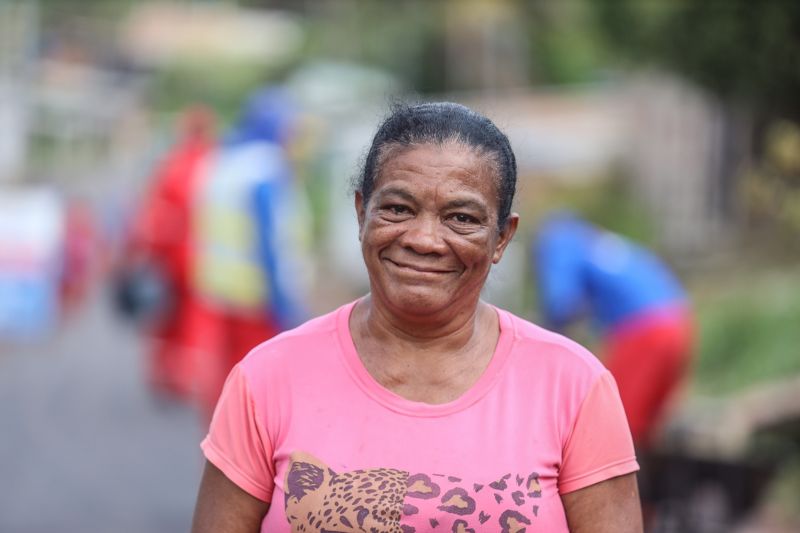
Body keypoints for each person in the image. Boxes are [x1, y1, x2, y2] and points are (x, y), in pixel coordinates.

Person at [192, 102, 643, 532]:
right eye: (397, 209)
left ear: (502, 238)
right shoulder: (267, 378)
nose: (424, 239)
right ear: (360, 213)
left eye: (461, 217)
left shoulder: (573, 386)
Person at [192, 87, 311, 419]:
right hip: (256, 293)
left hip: (219, 286)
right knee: (259, 384)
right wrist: (283, 304)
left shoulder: (223, 163)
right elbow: (270, 240)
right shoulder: (266, 170)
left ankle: (221, 446)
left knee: (227, 373)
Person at [532, 211, 694, 449]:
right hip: (680, 323)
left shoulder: (558, 239)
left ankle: (616, 485)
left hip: (644, 330)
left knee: (613, 427)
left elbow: (561, 305)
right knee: (644, 428)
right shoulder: (598, 241)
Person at [124, 105, 217, 402]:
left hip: (167, 252)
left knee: (163, 315)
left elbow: (152, 210)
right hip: (199, 255)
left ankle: (164, 373)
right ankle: (184, 375)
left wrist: (143, 248)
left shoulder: (172, 163)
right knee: (191, 318)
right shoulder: (213, 163)